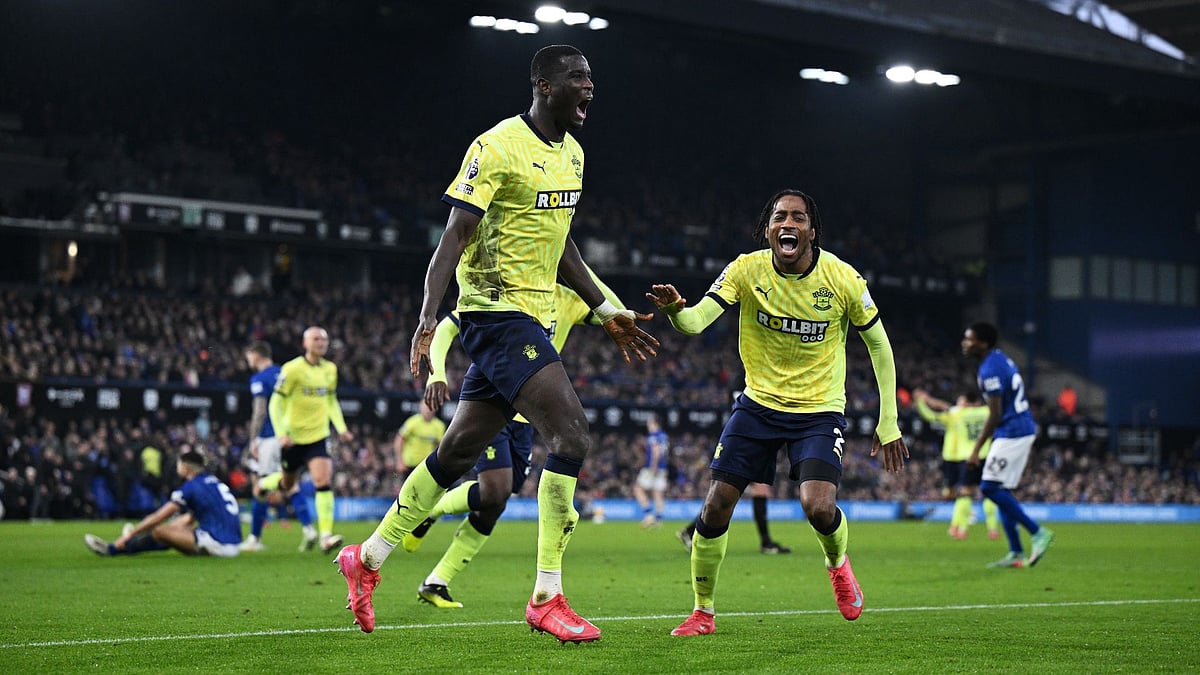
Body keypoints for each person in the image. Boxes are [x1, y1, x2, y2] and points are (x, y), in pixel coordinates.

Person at [335, 44, 658, 641]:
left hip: (531, 317)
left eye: (592, 78)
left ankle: (369, 557)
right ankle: (546, 596)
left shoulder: (575, 157)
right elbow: (454, 237)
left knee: (458, 452)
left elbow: (563, 249)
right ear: (543, 85)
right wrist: (429, 318)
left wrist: (605, 308)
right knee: (571, 434)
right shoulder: (495, 146)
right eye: (577, 78)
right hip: (494, 312)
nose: (590, 88)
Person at [646, 188, 909, 637]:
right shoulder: (745, 270)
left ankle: (838, 565)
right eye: (779, 217)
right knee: (715, 507)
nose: (788, 223)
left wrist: (889, 421)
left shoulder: (843, 279)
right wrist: (675, 311)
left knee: (817, 506)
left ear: (811, 230)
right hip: (757, 406)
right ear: (767, 229)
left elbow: (880, 346)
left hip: (819, 410)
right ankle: (702, 612)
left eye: (798, 217)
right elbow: (694, 323)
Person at [401, 267, 629, 609]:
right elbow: (448, 327)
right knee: (494, 489)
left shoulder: (568, 300)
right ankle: (428, 511)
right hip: (491, 404)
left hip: (527, 417)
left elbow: (618, 310)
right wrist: (439, 375)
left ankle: (436, 581)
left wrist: (584, 272)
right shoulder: (508, 289)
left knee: (496, 502)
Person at [962, 322, 1055, 568]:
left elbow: (994, 413)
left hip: (1013, 431)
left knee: (989, 487)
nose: (965, 343)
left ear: (983, 343)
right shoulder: (999, 359)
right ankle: (1016, 551)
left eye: (969, 339)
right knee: (1000, 489)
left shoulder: (989, 369)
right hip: (1016, 428)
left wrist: (975, 449)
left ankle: (1037, 533)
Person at [269, 326, 354, 555]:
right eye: (316, 339)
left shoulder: (330, 369)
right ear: (305, 343)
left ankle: (325, 536)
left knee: (322, 481)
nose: (321, 343)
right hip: (293, 438)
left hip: (318, 436)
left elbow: (330, 400)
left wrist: (341, 428)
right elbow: (275, 403)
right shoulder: (292, 369)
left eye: (324, 339)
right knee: (287, 484)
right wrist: (281, 434)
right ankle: (265, 484)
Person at [84, 446, 242, 557]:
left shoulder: (191, 487)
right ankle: (135, 542)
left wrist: (131, 534)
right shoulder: (212, 482)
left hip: (218, 544)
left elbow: (160, 516)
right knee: (175, 527)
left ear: (186, 468)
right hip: (233, 545)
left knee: (160, 531)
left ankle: (117, 548)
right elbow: (189, 518)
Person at [241, 340, 317, 552]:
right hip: (290, 436)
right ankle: (309, 529)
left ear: (256, 355)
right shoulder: (285, 372)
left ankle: (254, 539)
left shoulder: (259, 378)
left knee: (261, 486)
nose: (248, 361)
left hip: (269, 437)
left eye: (248, 356)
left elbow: (260, 411)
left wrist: (253, 439)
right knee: (289, 483)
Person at [914, 389, 999, 540]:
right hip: (986, 455)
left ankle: (961, 528)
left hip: (967, 457)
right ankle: (992, 529)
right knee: (989, 493)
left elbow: (934, 414)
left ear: (966, 402)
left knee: (965, 493)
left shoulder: (959, 413)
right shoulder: (987, 412)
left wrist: (922, 400)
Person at [677, 482, 793, 554]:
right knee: (723, 495)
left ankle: (766, 541)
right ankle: (690, 530)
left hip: (749, 446)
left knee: (759, 489)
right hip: (744, 445)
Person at [394, 400, 446, 483]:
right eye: (426, 407)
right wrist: (399, 461)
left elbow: (439, 446)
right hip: (410, 465)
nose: (428, 410)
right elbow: (399, 440)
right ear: (421, 407)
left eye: (431, 407)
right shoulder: (412, 422)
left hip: (426, 466)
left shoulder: (439, 426)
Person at [635, 414, 669, 529]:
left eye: (649, 423)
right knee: (657, 493)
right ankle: (658, 520)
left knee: (638, 488)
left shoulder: (653, 436)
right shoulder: (664, 436)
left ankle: (648, 515)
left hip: (653, 467)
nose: (648, 426)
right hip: (663, 468)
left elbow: (656, 451)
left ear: (655, 423)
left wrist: (654, 466)